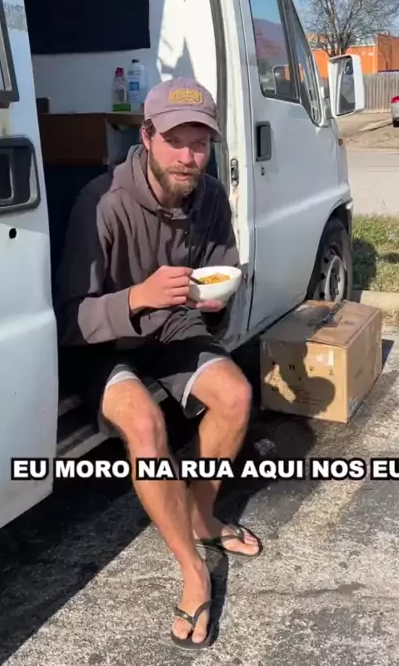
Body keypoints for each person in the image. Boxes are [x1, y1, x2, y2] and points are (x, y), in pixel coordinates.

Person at [55, 77, 262, 650]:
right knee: (145, 424)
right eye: (175, 141)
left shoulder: (210, 196)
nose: (188, 157)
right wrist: (137, 297)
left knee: (236, 395)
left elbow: (221, 272)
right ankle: (194, 570)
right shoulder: (102, 203)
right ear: (146, 137)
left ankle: (202, 513)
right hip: (104, 343)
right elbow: (69, 319)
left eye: (200, 143)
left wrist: (216, 303)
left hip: (173, 327)